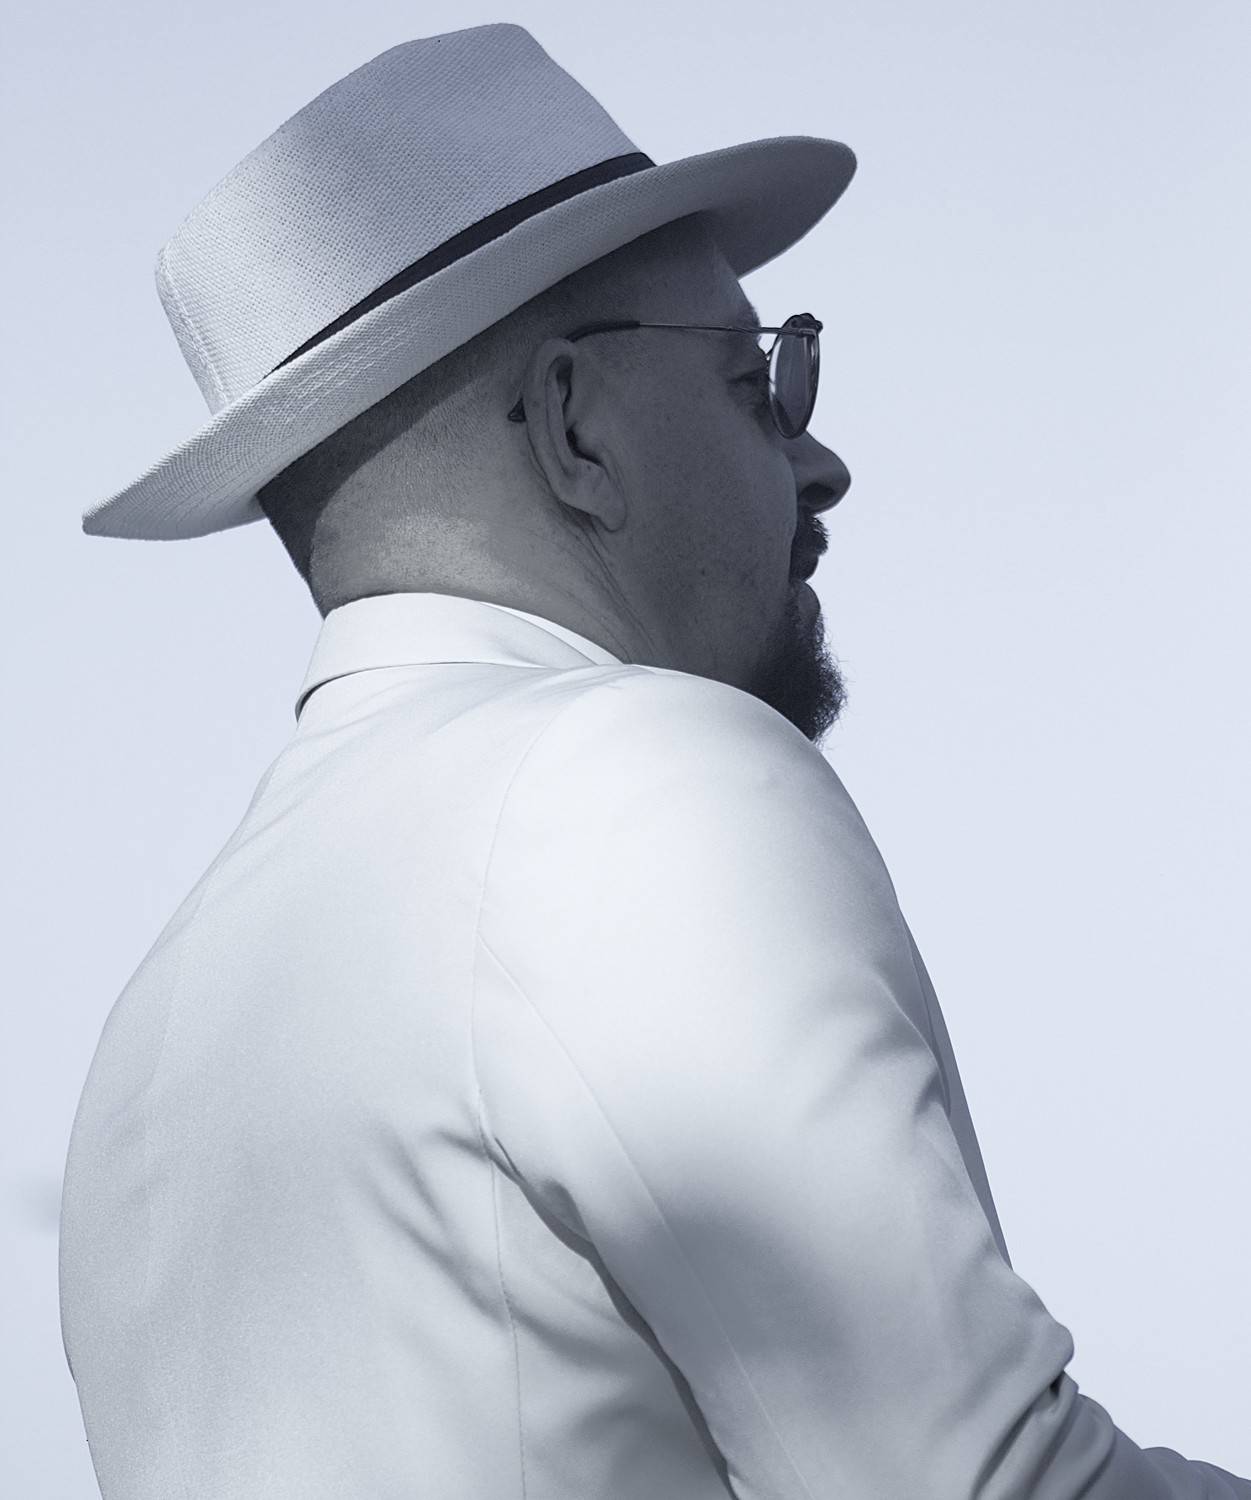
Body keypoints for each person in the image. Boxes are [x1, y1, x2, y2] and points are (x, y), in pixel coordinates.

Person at [61, 22, 1249, 1500]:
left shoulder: (145, 1054)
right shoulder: (622, 784)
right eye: (758, 384)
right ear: (573, 426)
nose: (819, 462)